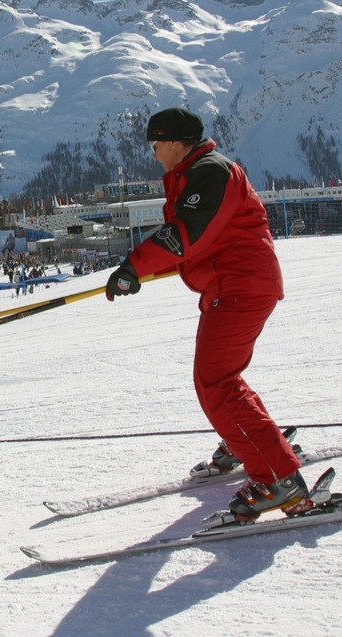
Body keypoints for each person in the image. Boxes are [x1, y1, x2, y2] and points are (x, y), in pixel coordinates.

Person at [105, 108, 305, 524]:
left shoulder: (211, 172)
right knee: (219, 378)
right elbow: (191, 241)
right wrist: (139, 271)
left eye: (157, 145)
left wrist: (135, 265)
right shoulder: (193, 173)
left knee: (216, 381)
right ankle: (245, 441)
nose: (155, 153)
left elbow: (186, 233)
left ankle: (276, 477)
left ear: (176, 143)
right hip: (231, 285)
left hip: (240, 285)